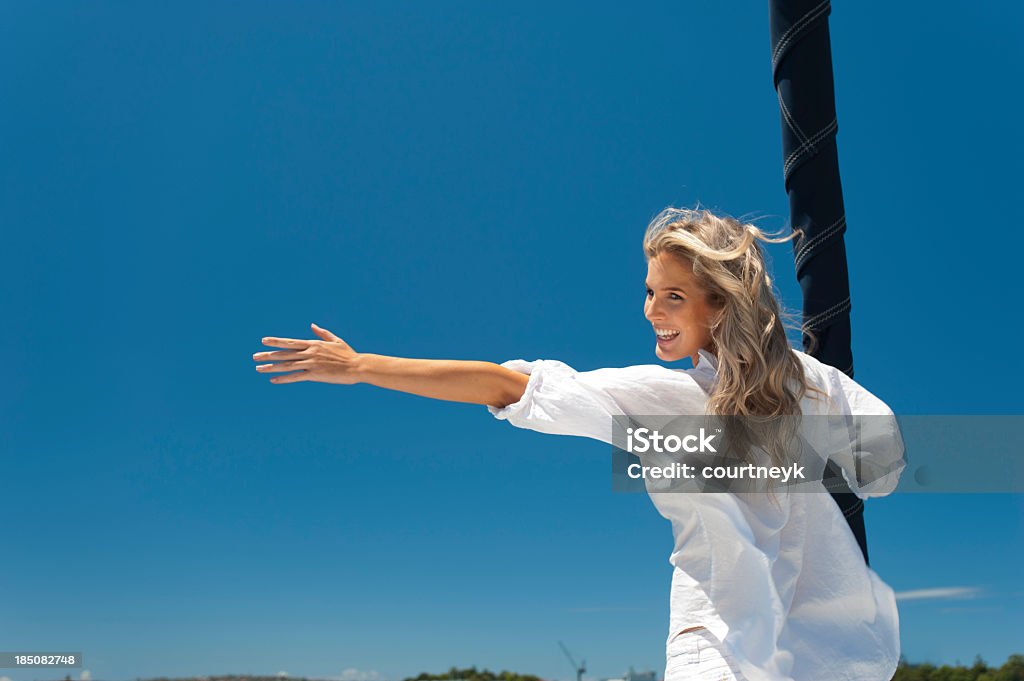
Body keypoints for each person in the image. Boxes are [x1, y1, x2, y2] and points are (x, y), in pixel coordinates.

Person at [251, 206, 906, 681]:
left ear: (719, 305)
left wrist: (364, 365)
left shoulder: (705, 397)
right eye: (650, 292)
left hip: (731, 656)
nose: (652, 309)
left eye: (673, 296)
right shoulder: (779, 386)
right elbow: (884, 465)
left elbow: (506, 387)